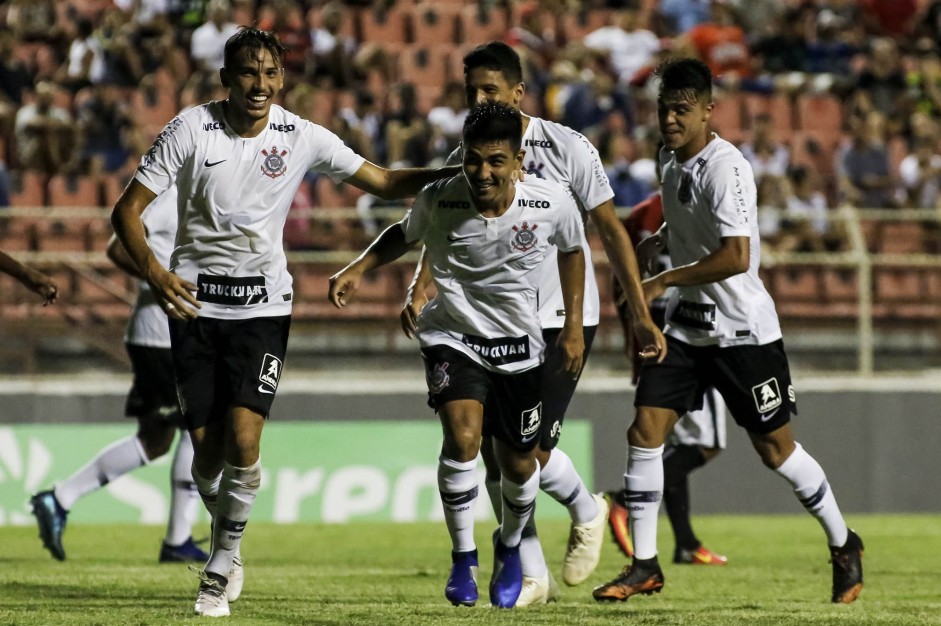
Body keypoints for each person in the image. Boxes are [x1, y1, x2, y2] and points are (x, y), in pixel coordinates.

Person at [110, 27, 461, 618]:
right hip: (195, 308)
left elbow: (380, 180)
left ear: (283, 79)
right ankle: (228, 542)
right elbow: (127, 212)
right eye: (249, 72)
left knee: (244, 441)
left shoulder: (300, 135)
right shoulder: (189, 129)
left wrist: (451, 176)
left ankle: (219, 568)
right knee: (205, 458)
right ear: (225, 78)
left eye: (272, 73)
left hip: (263, 308)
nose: (261, 84)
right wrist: (155, 272)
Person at [400, 41, 665, 607]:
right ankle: (531, 573)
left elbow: (609, 231)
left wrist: (638, 313)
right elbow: (450, 221)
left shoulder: (570, 148)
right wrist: (423, 281)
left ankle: (587, 509)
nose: (478, 100)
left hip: (564, 317)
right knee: (499, 452)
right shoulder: (473, 148)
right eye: (471, 91)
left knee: (529, 453)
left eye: (489, 91)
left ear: (519, 92)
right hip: (490, 316)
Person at [592, 58, 864, 605]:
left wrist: (659, 279)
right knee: (645, 431)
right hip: (688, 328)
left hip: (742, 332)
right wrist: (658, 239)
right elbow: (688, 216)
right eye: (664, 108)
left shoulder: (728, 168)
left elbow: (736, 256)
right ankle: (644, 564)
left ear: (708, 111)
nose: (669, 119)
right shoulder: (669, 159)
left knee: (776, 450)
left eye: (681, 110)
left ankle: (843, 541)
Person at [328, 102, 586, 609]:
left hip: (520, 347)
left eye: (495, 161)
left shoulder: (550, 203)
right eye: (473, 160)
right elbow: (403, 235)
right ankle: (464, 557)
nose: (482, 172)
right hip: (455, 336)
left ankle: (509, 547)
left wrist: (573, 326)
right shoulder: (441, 198)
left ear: (517, 162)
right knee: (464, 437)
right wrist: (360, 267)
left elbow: (574, 251)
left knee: (518, 465)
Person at [29, 188, 208, 565]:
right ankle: (175, 540)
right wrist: (159, 278)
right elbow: (115, 248)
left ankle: (62, 498)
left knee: (162, 438)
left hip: (178, 335)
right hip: (162, 336)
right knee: (199, 426)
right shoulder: (173, 195)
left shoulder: (207, 194)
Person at [605, 187, 728, 566]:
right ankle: (624, 499)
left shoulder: (641, 213)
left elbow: (620, 277)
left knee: (663, 440)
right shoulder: (699, 203)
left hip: (648, 329)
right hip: (689, 330)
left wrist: (631, 335)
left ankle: (686, 542)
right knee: (706, 442)